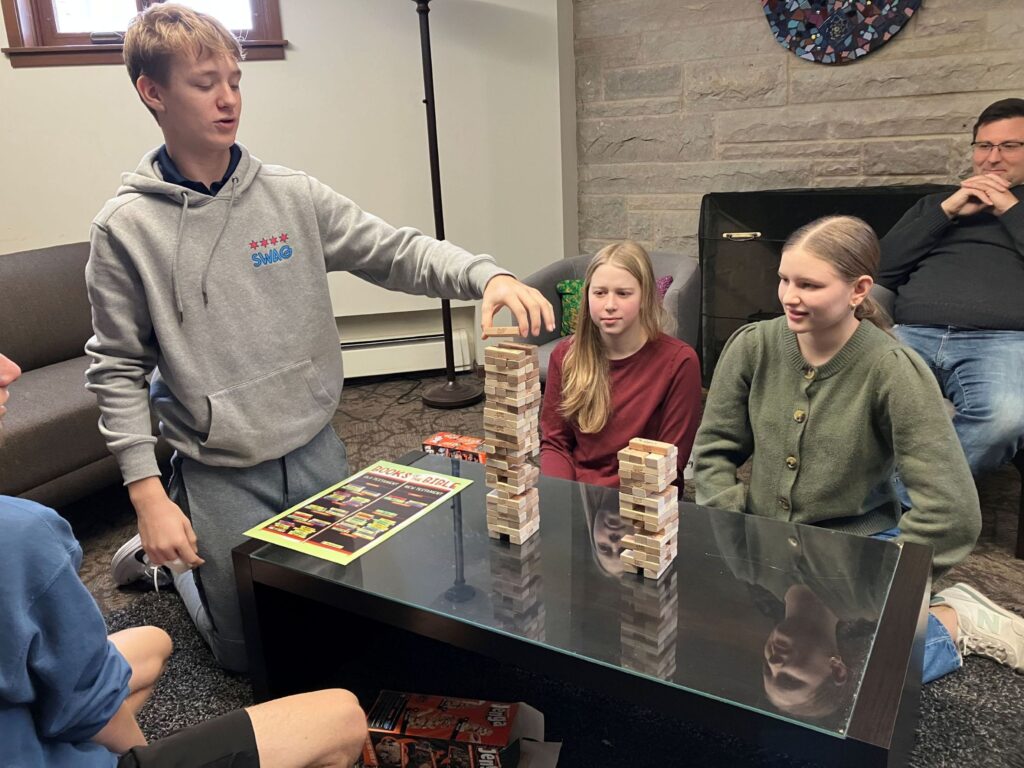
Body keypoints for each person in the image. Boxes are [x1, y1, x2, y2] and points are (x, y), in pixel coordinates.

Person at [87, 4, 554, 673]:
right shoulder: (125, 229)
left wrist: (488, 276)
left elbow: (395, 251)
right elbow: (115, 368)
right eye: (204, 83)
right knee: (247, 655)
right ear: (152, 92)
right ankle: (169, 564)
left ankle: (191, 551)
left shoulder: (291, 195)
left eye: (235, 80)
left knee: (340, 620)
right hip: (219, 469)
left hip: (314, 446)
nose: (228, 99)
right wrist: (146, 495)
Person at [694, 215, 1024, 683]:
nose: (789, 296)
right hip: (764, 549)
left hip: (862, 553)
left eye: (809, 284)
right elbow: (713, 453)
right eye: (784, 279)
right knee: (716, 647)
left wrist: (882, 588)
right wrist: (734, 535)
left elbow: (951, 511)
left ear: (858, 289)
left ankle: (953, 620)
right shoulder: (752, 346)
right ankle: (923, 620)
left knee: (870, 686)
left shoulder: (893, 370)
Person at [0, 350, 368, 767]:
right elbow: (92, 710)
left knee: (152, 642)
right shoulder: (21, 533)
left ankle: (169, 573)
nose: (11, 370)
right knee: (343, 714)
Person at [878, 98, 1024, 476]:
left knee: (1004, 421)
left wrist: (1010, 208)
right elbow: (878, 267)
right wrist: (947, 211)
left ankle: (889, 504)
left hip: (1001, 343)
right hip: (909, 333)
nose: (993, 158)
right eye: (984, 146)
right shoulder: (936, 204)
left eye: (1009, 146)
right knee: (839, 401)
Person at [540, 241, 701, 487]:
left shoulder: (680, 362)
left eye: (623, 293)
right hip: (581, 495)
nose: (610, 305)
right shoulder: (565, 355)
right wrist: (563, 498)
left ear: (646, 297)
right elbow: (555, 443)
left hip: (644, 500)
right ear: (587, 295)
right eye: (600, 293)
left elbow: (671, 461)